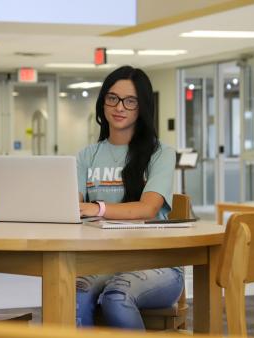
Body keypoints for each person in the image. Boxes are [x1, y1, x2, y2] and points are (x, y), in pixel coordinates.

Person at [76, 65, 183, 329]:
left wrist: (96, 208)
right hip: (104, 261)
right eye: (112, 98)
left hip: (159, 265)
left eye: (130, 101)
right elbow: (73, 207)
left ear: (142, 107)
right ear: (103, 102)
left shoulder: (161, 153)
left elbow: (147, 209)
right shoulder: (86, 155)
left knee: (116, 296)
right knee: (75, 293)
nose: (119, 107)